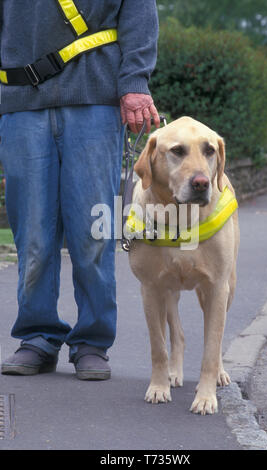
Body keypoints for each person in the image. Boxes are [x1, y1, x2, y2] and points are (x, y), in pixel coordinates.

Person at [0, 0, 160, 380]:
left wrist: (135, 80)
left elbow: (138, 11)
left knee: (92, 233)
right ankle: (37, 336)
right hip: (21, 100)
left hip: (95, 99)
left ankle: (92, 340)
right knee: (33, 235)